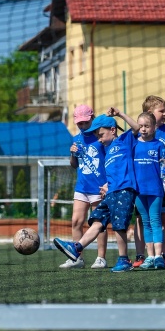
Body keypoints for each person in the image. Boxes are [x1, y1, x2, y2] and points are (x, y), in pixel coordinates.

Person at [54, 108, 140, 273]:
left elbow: (136, 129)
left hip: (124, 190)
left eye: (100, 134)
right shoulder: (106, 150)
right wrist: (107, 185)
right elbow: (111, 172)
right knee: (97, 220)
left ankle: (123, 259)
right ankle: (77, 248)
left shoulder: (124, 141)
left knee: (119, 225)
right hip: (111, 192)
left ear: (112, 130)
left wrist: (120, 114)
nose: (98, 139)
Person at [61, 105, 108, 269]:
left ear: (92, 119)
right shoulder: (76, 138)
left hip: (99, 187)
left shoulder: (101, 137)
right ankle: (77, 258)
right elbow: (74, 165)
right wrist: (72, 153)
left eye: (84, 122)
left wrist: (107, 183)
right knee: (76, 221)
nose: (81, 126)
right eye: (79, 123)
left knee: (98, 223)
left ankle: (101, 258)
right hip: (82, 186)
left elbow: (109, 161)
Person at [133, 95, 165, 268]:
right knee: (143, 220)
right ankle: (143, 255)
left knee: (161, 219)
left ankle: (162, 255)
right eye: (162, 111)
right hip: (140, 187)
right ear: (150, 113)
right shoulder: (136, 138)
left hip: (159, 184)